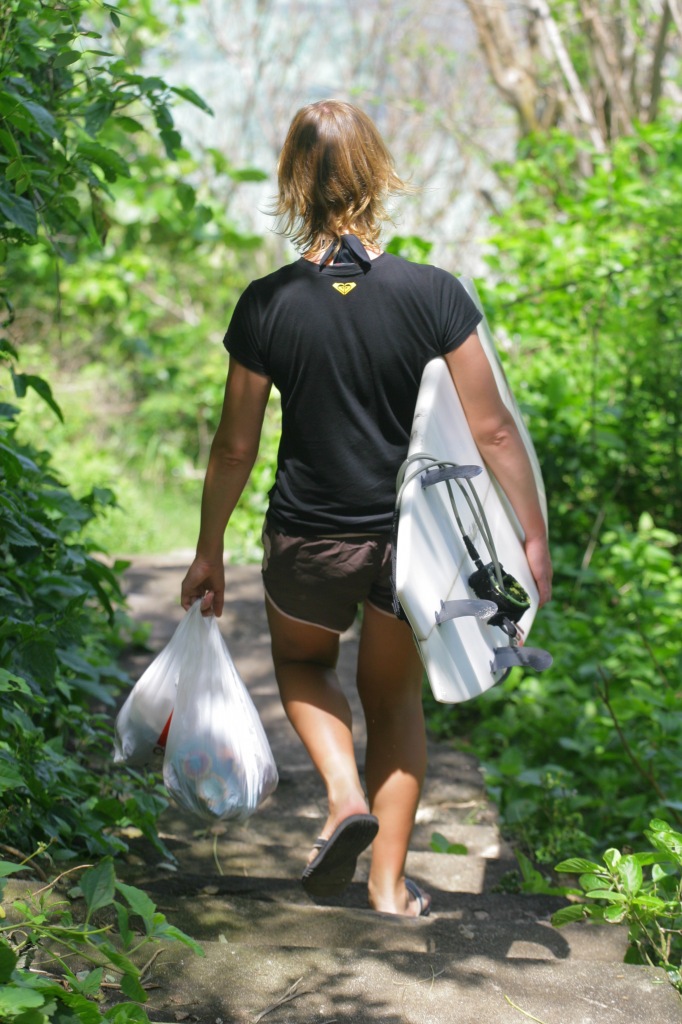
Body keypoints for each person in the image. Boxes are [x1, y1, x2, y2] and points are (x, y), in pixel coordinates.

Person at [181, 99, 552, 917]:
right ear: (377, 174)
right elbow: (492, 430)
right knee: (394, 702)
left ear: (293, 180)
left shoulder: (268, 303)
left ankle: (343, 794)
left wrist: (208, 549)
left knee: (302, 666)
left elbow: (235, 446)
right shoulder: (435, 295)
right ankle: (387, 888)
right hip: (411, 547)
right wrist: (530, 538)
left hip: (307, 536)